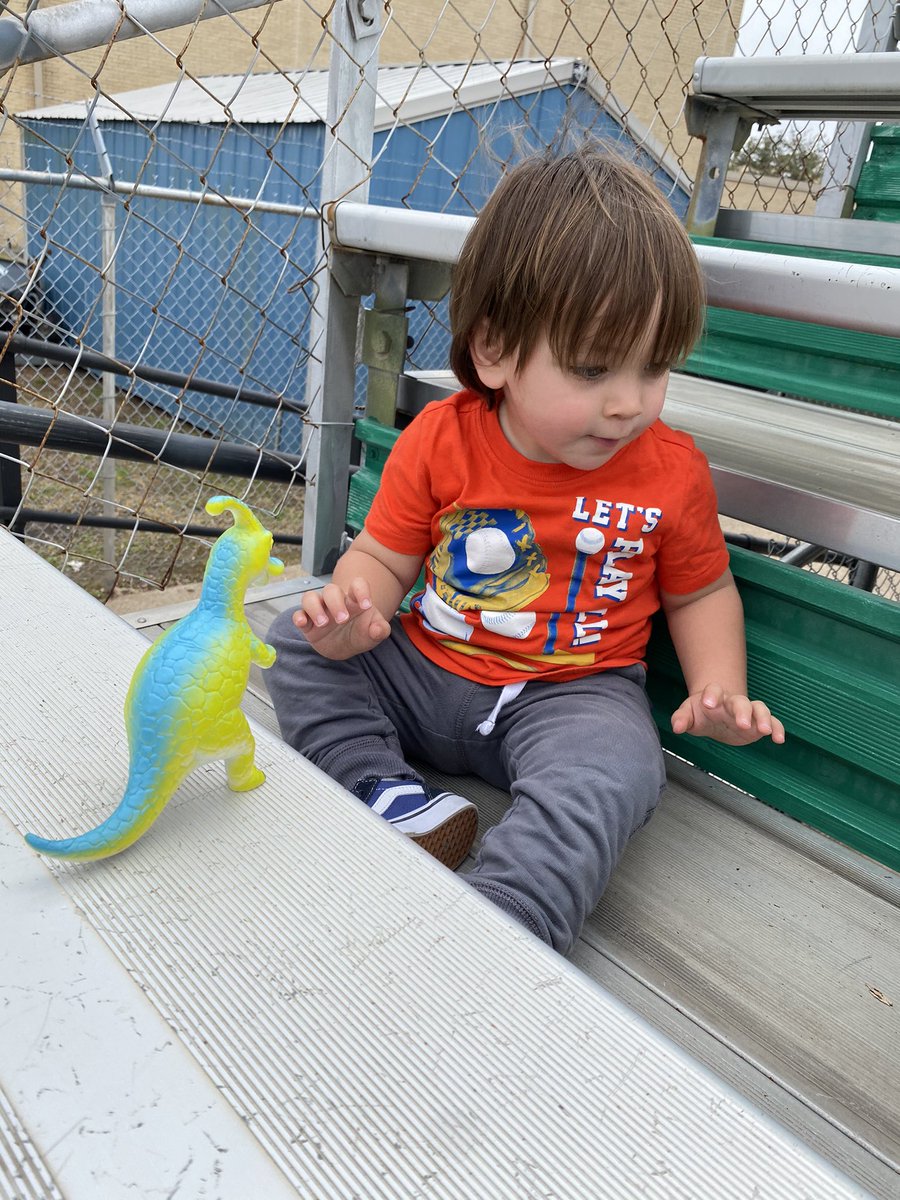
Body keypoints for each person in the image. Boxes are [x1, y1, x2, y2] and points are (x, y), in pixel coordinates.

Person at [266, 144, 785, 956]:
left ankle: (504, 923)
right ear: (496, 349)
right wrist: (354, 608)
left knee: (618, 767)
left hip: (572, 697)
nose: (627, 403)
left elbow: (701, 593)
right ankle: (387, 792)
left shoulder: (672, 472)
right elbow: (385, 556)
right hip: (429, 667)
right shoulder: (442, 438)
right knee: (295, 645)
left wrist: (720, 687)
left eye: (655, 369)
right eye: (591, 368)